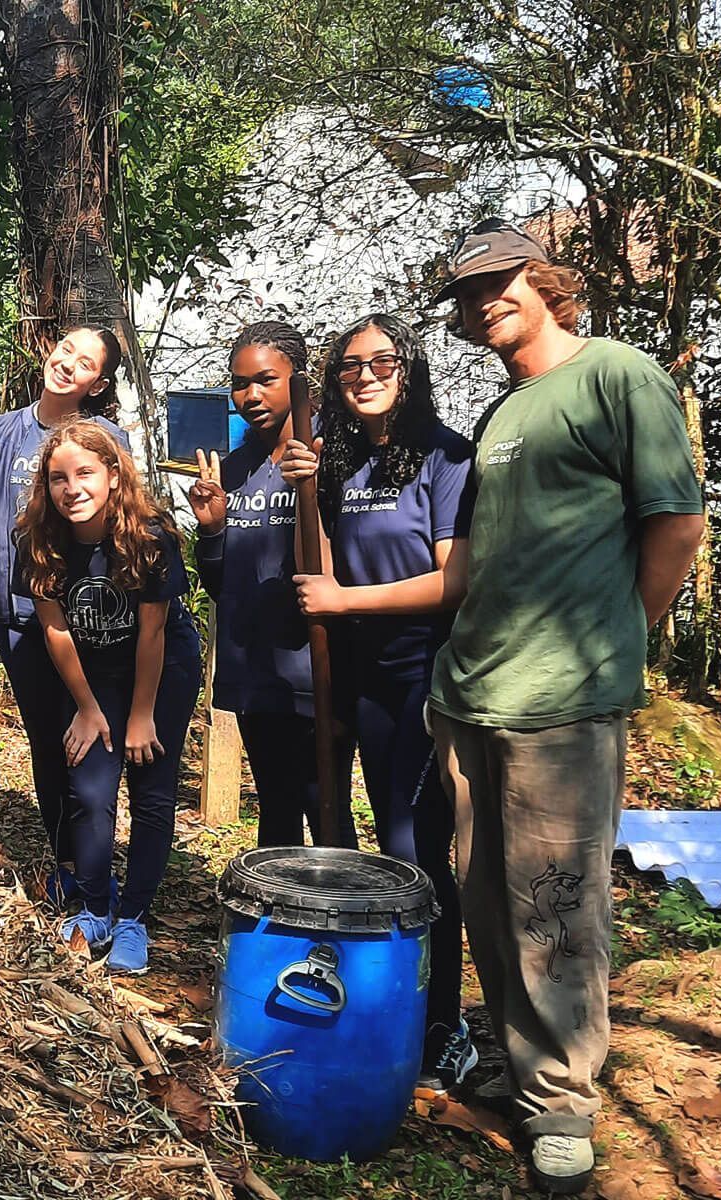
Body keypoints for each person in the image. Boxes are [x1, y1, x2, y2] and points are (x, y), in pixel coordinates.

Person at [427, 220, 703, 1193]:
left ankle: (563, 1101)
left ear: (542, 280)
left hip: (565, 699)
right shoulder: (506, 412)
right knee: (487, 898)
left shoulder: (617, 376)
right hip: (474, 695)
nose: (483, 302)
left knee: (556, 905)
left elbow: (676, 521)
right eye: (467, 295)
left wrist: (619, 636)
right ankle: (519, 1058)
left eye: (498, 282)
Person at [276, 313, 476, 1090]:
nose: (364, 374)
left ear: (409, 366)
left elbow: (452, 581)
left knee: (414, 849)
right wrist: (306, 489)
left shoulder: (444, 456)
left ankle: (441, 1023)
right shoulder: (343, 462)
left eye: (381, 360)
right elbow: (319, 565)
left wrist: (345, 604)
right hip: (347, 681)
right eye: (350, 365)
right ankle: (375, 998)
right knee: (346, 844)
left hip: (418, 677)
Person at [0, 326, 130, 901]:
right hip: (22, 616)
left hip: (92, 622)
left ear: (98, 383)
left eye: (86, 363)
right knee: (47, 742)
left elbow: (127, 527)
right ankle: (68, 862)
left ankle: (101, 872)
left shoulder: (108, 438)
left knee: (93, 746)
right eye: (65, 350)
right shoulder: (2, 431)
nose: (68, 365)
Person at [13, 421, 201, 974]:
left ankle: (134, 917)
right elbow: (55, 629)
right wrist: (89, 708)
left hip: (161, 669)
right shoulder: (41, 540)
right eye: (58, 478)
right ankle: (95, 904)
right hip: (93, 674)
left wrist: (141, 716)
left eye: (86, 473)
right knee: (91, 787)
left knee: (151, 788)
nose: (72, 488)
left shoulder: (149, 534)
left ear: (114, 476)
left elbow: (153, 634)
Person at [186, 320, 351, 847]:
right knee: (275, 810)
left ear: (299, 379)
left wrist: (319, 485)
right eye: (239, 383)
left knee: (325, 807)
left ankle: (341, 922)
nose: (250, 395)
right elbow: (221, 582)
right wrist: (211, 528)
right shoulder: (235, 468)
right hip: (255, 669)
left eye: (265, 379)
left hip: (317, 668)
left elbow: (353, 557)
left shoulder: (333, 454)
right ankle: (279, 924)